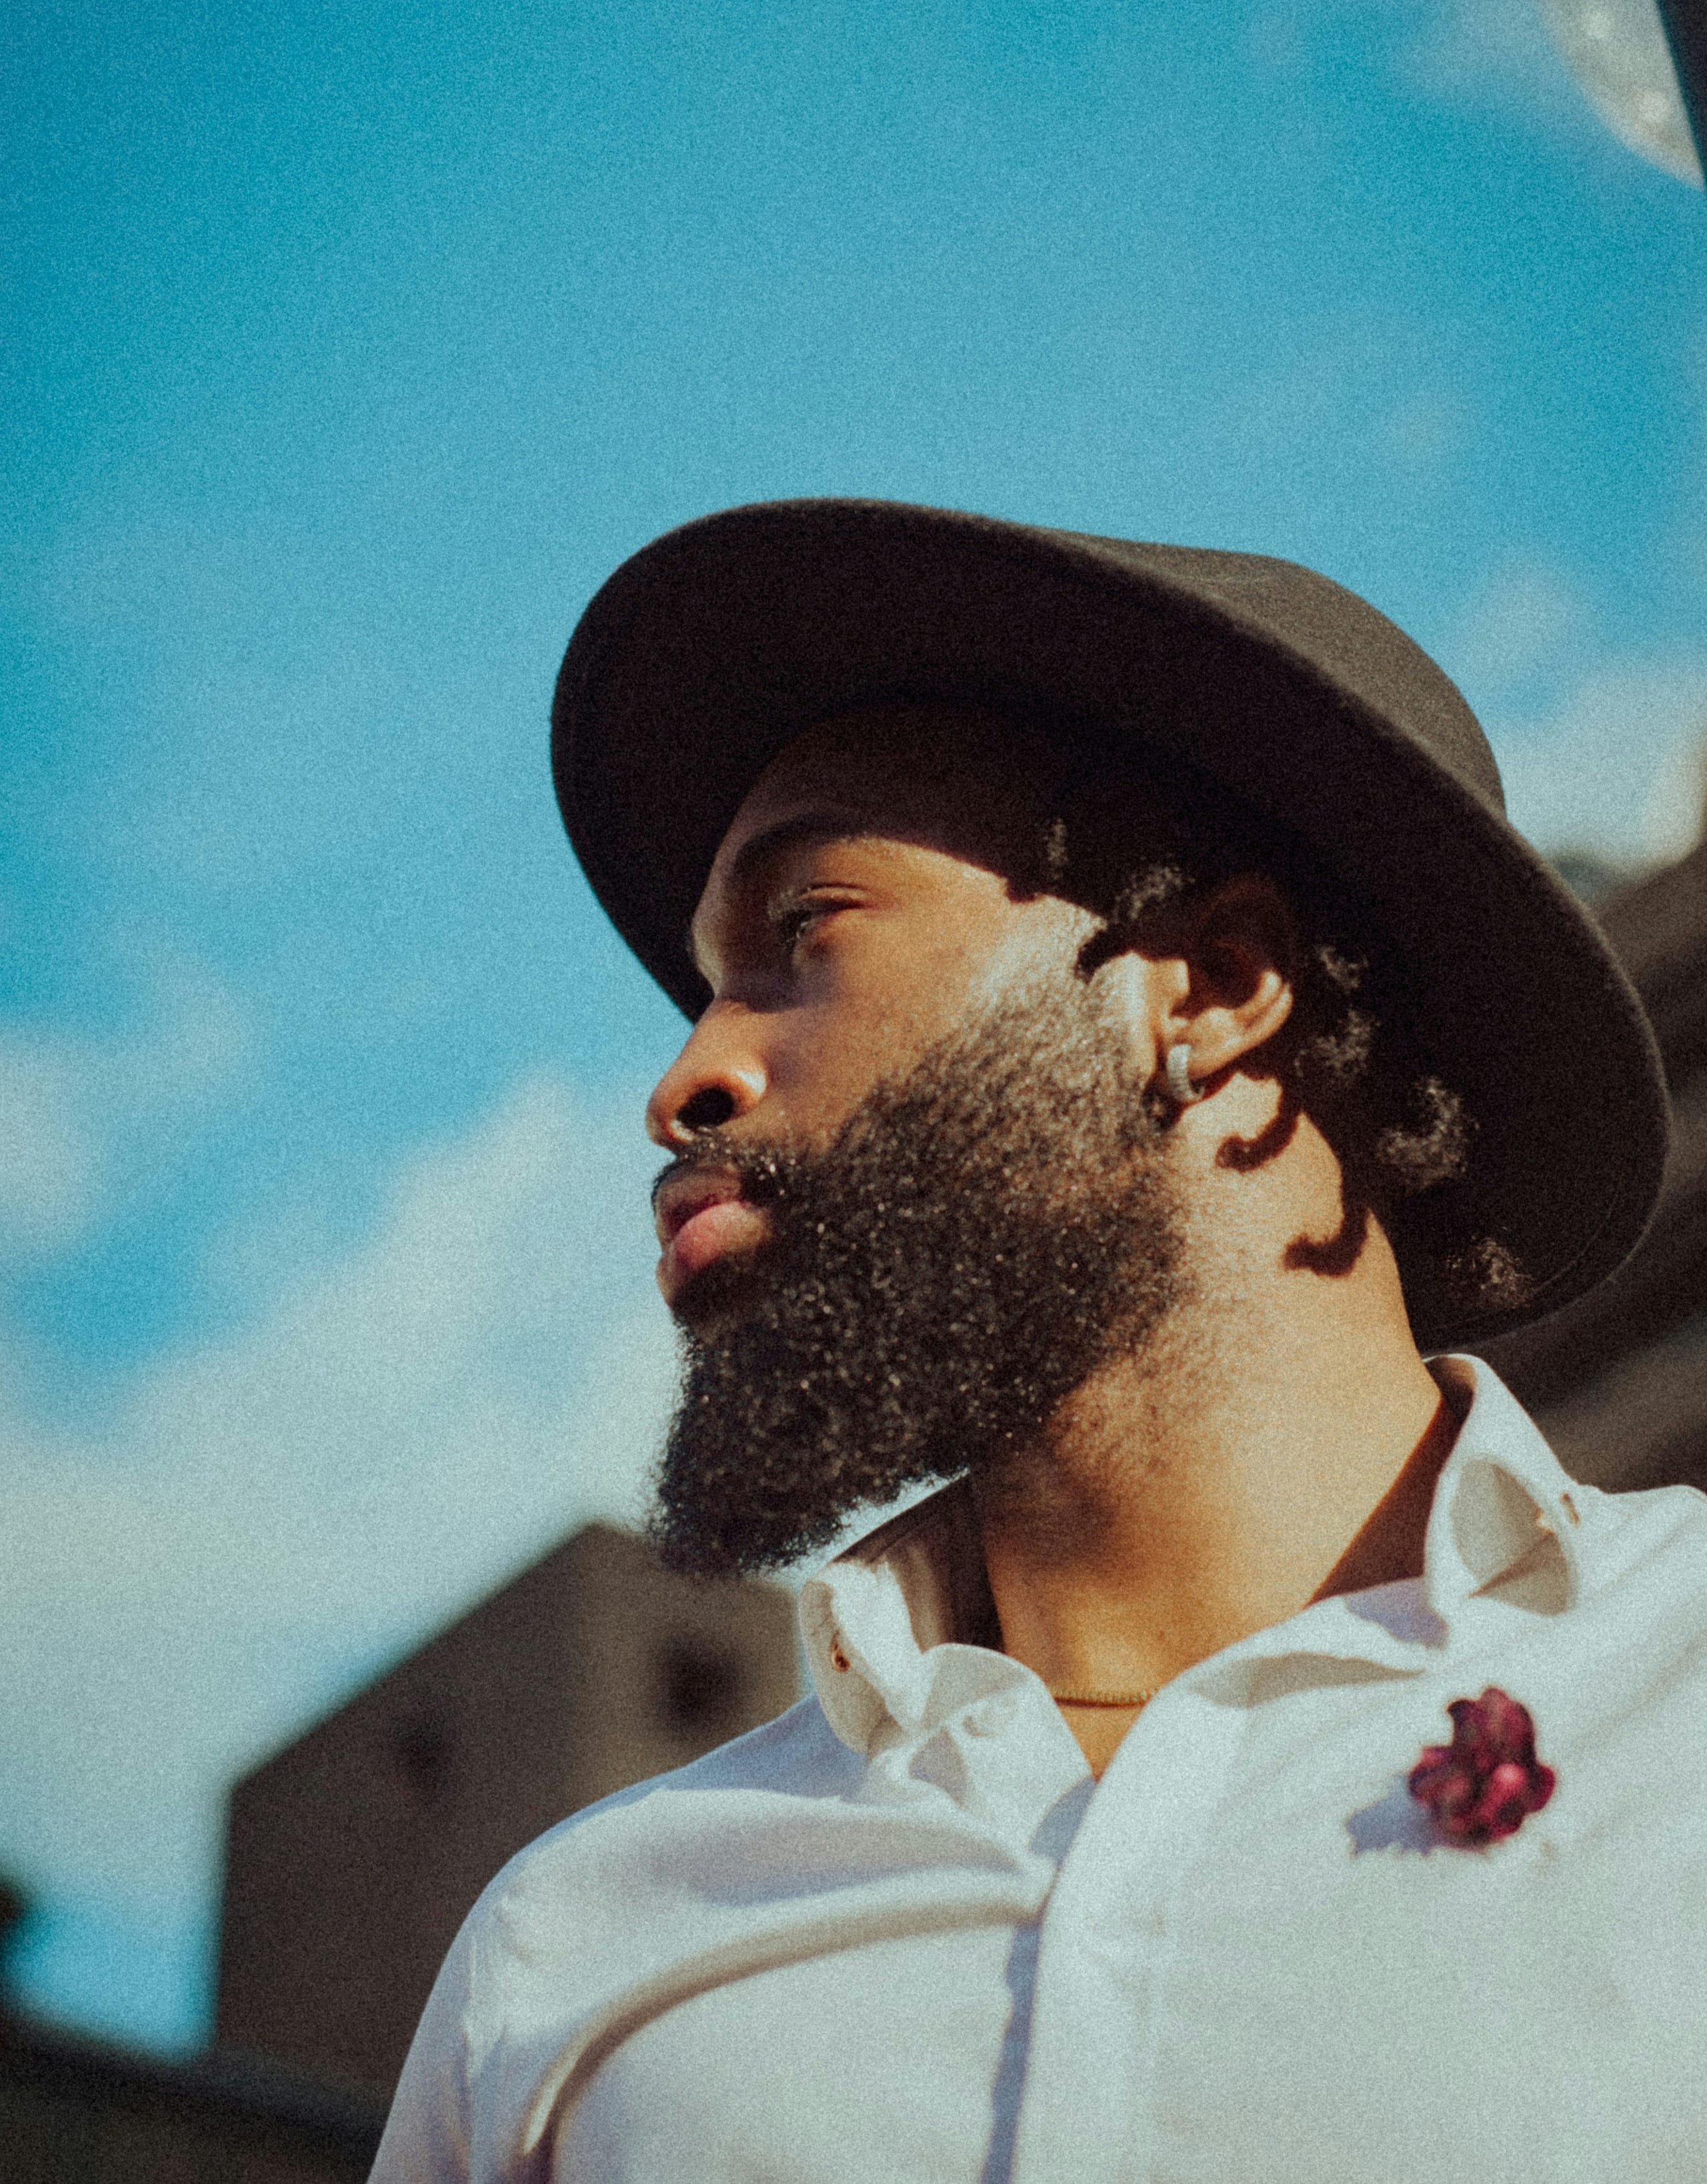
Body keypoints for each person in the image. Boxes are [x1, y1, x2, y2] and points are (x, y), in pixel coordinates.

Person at [371, 499, 1702, 2184]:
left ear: (1207, 986)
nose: (683, 1080)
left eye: (802, 936)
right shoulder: (568, 1958)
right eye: (702, 989)